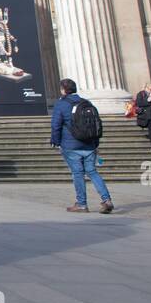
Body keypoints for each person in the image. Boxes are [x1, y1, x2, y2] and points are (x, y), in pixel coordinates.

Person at [51, 78, 112, 214]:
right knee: (92, 172)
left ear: (63, 90)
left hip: (70, 145)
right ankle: (106, 199)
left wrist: (55, 142)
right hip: (89, 144)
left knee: (78, 173)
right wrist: (95, 143)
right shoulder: (86, 103)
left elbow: (56, 125)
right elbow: (95, 123)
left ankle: (81, 204)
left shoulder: (61, 104)